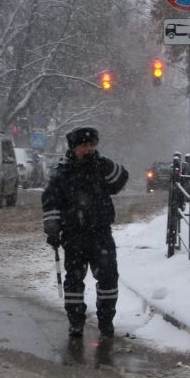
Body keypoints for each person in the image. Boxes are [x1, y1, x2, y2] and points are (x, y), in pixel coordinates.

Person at [41, 126, 129, 338]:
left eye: (91, 145)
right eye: (83, 145)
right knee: (74, 281)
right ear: (74, 148)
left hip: (101, 233)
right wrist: (52, 228)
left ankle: (106, 321)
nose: (88, 149)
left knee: (108, 279)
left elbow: (121, 179)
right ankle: (75, 321)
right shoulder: (63, 173)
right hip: (74, 234)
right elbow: (51, 201)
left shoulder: (101, 168)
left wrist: (105, 164)